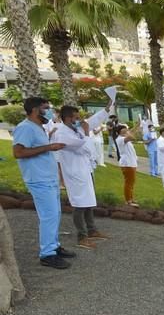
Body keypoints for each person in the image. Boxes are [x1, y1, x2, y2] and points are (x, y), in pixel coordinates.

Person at [12, 97, 75, 269]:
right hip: (39, 179)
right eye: (46, 108)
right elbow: (18, 152)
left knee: (54, 214)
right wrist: (49, 147)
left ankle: (53, 246)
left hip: (48, 178)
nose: (49, 111)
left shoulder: (38, 127)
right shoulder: (25, 128)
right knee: (49, 216)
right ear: (34, 109)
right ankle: (47, 254)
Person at [54, 104, 111, 250]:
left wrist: (107, 107)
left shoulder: (75, 128)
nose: (80, 120)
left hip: (85, 170)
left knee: (89, 201)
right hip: (75, 173)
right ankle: (82, 236)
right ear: (67, 118)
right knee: (80, 205)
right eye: (76, 118)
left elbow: (93, 120)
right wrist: (86, 133)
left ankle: (92, 230)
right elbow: (84, 148)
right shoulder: (62, 133)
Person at [115, 125, 139, 207]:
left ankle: (131, 199)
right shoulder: (120, 139)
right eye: (123, 128)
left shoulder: (124, 137)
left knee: (131, 182)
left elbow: (131, 133)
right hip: (127, 164)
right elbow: (132, 137)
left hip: (131, 163)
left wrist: (137, 126)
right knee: (128, 183)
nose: (125, 129)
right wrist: (128, 131)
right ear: (119, 131)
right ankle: (128, 200)